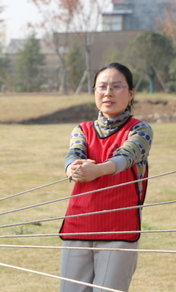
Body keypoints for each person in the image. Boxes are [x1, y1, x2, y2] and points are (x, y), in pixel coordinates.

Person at [59, 62, 153, 292]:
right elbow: (73, 155)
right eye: (101, 87)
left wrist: (98, 169)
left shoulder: (140, 130)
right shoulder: (82, 129)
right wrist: (73, 168)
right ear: (94, 92)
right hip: (78, 225)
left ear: (131, 93)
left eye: (116, 86)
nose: (108, 92)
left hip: (119, 228)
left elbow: (125, 157)